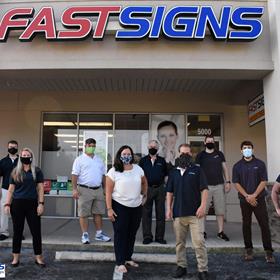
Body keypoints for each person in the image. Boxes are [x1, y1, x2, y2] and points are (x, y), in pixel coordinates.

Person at [166, 144, 209, 280]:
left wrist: (202, 206)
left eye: (187, 153)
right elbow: (169, 192)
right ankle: (181, 267)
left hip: (195, 214)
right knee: (180, 243)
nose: (185, 155)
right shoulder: (173, 172)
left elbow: (205, 190)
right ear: (178, 154)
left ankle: (202, 269)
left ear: (191, 155)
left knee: (199, 243)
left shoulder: (197, 170)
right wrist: (169, 208)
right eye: (182, 153)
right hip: (178, 213)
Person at [106, 145, 148, 274]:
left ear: (132, 155)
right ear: (119, 155)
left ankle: (128, 258)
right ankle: (120, 262)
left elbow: (144, 183)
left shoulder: (138, 169)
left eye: (128, 154)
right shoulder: (113, 171)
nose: (126, 156)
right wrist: (109, 209)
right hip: (119, 206)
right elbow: (108, 192)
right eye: (124, 154)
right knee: (120, 234)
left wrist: (144, 195)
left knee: (131, 234)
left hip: (136, 207)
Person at [232, 140, 275, 263]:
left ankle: (269, 252)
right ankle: (248, 249)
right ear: (241, 150)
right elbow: (236, 182)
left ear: (253, 149)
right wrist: (247, 196)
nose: (247, 149)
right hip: (244, 200)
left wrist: (254, 195)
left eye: (249, 147)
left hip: (259, 199)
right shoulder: (237, 166)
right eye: (245, 148)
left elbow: (264, 181)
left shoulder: (260, 164)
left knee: (264, 224)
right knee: (246, 224)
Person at [4, 148, 45, 267]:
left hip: (32, 204)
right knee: (17, 232)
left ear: (31, 157)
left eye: (28, 155)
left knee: (36, 232)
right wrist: (7, 204)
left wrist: (41, 203)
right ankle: (15, 258)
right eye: (23, 155)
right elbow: (11, 190)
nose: (25, 156)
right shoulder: (15, 171)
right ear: (20, 157)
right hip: (17, 205)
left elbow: (40, 188)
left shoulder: (36, 171)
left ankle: (38, 257)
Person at [71, 138, 110, 244]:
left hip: (98, 190)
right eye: (89, 146)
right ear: (85, 146)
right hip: (84, 190)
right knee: (83, 214)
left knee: (98, 213)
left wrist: (105, 188)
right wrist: (74, 189)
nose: (91, 148)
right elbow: (74, 175)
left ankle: (99, 234)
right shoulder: (79, 159)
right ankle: (85, 235)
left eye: (93, 146)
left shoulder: (99, 159)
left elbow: (103, 175)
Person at [195, 135, 231, 241]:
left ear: (214, 143)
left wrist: (228, 181)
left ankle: (220, 232)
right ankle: (203, 232)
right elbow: (197, 171)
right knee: (203, 210)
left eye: (212, 141)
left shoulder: (219, 154)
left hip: (219, 185)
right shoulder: (200, 155)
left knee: (220, 211)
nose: (210, 142)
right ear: (205, 143)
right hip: (205, 187)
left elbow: (224, 168)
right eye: (208, 141)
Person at [139, 140, 168, 244]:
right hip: (147, 189)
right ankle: (147, 236)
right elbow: (140, 177)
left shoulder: (162, 160)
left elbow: (166, 176)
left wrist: (165, 188)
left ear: (158, 148)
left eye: (155, 146)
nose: (153, 148)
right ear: (148, 147)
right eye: (151, 146)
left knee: (161, 214)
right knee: (146, 214)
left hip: (160, 189)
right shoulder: (143, 161)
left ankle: (159, 237)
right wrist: (142, 190)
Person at [0, 140, 19, 241]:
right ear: (7, 148)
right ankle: (4, 232)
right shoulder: (2, 161)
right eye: (11, 146)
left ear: (17, 148)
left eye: (14, 147)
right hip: (5, 189)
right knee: (4, 211)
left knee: (18, 212)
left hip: (19, 190)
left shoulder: (21, 161)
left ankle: (18, 233)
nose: (12, 148)